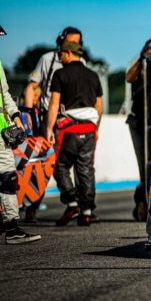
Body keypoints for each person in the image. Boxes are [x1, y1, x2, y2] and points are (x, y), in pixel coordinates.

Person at [22, 26, 96, 223]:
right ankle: (32, 208)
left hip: (66, 123)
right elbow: (32, 87)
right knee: (40, 165)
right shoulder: (47, 59)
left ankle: (80, 206)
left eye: (78, 42)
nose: (74, 45)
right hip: (51, 119)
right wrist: (29, 113)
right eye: (71, 41)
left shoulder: (80, 64)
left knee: (71, 167)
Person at [46, 41, 103, 227]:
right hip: (89, 129)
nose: (60, 57)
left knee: (60, 167)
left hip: (68, 129)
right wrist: (96, 128)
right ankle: (86, 212)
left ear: (69, 53)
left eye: (61, 53)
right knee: (86, 170)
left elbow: (54, 104)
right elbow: (99, 106)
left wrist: (49, 128)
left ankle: (72, 203)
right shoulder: (94, 76)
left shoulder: (60, 74)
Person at [0, 24, 41, 244]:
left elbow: (5, 93)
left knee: (7, 177)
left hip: (1, 133)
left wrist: (15, 116)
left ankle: (11, 227)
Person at [125, 38, 151, 222]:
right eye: (149, 53)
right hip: (139, 122)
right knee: (144, 165)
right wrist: (142, 60)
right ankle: (143, 200)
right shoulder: (139, 68)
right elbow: (128, 77)